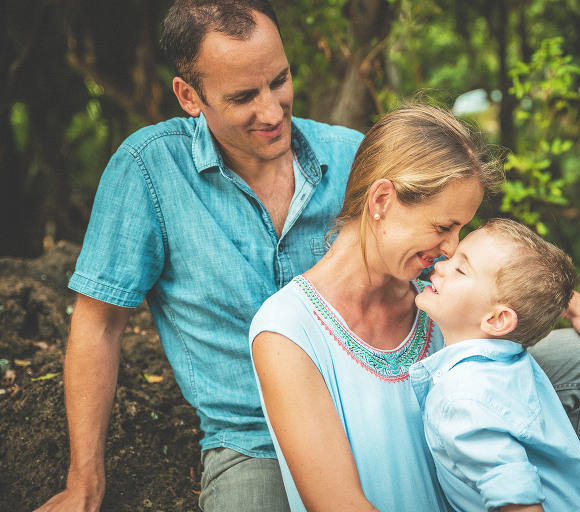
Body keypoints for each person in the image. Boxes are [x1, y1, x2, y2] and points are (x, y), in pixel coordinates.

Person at [35, 1, 363, 511]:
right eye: (243, 97)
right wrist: (85, 482)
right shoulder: (148, 171)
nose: (273, 112)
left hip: (374, 407)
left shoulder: (352, 156)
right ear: (189, 96)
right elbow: (99, 324)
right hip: (256, 444)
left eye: (279, 80)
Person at [250, 104, 580, 512]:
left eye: (460, 229)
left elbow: (499, 281)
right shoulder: (286, 331)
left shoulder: (439, 298)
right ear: (382, 199)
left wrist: (571, 302)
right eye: (443, 227)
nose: (452, 248)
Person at [410, 218, 580, 512]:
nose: (439, 265)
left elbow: (519, 501)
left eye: (461, 269)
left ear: (497, 319)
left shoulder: (465, 400)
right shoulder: (509, 361)